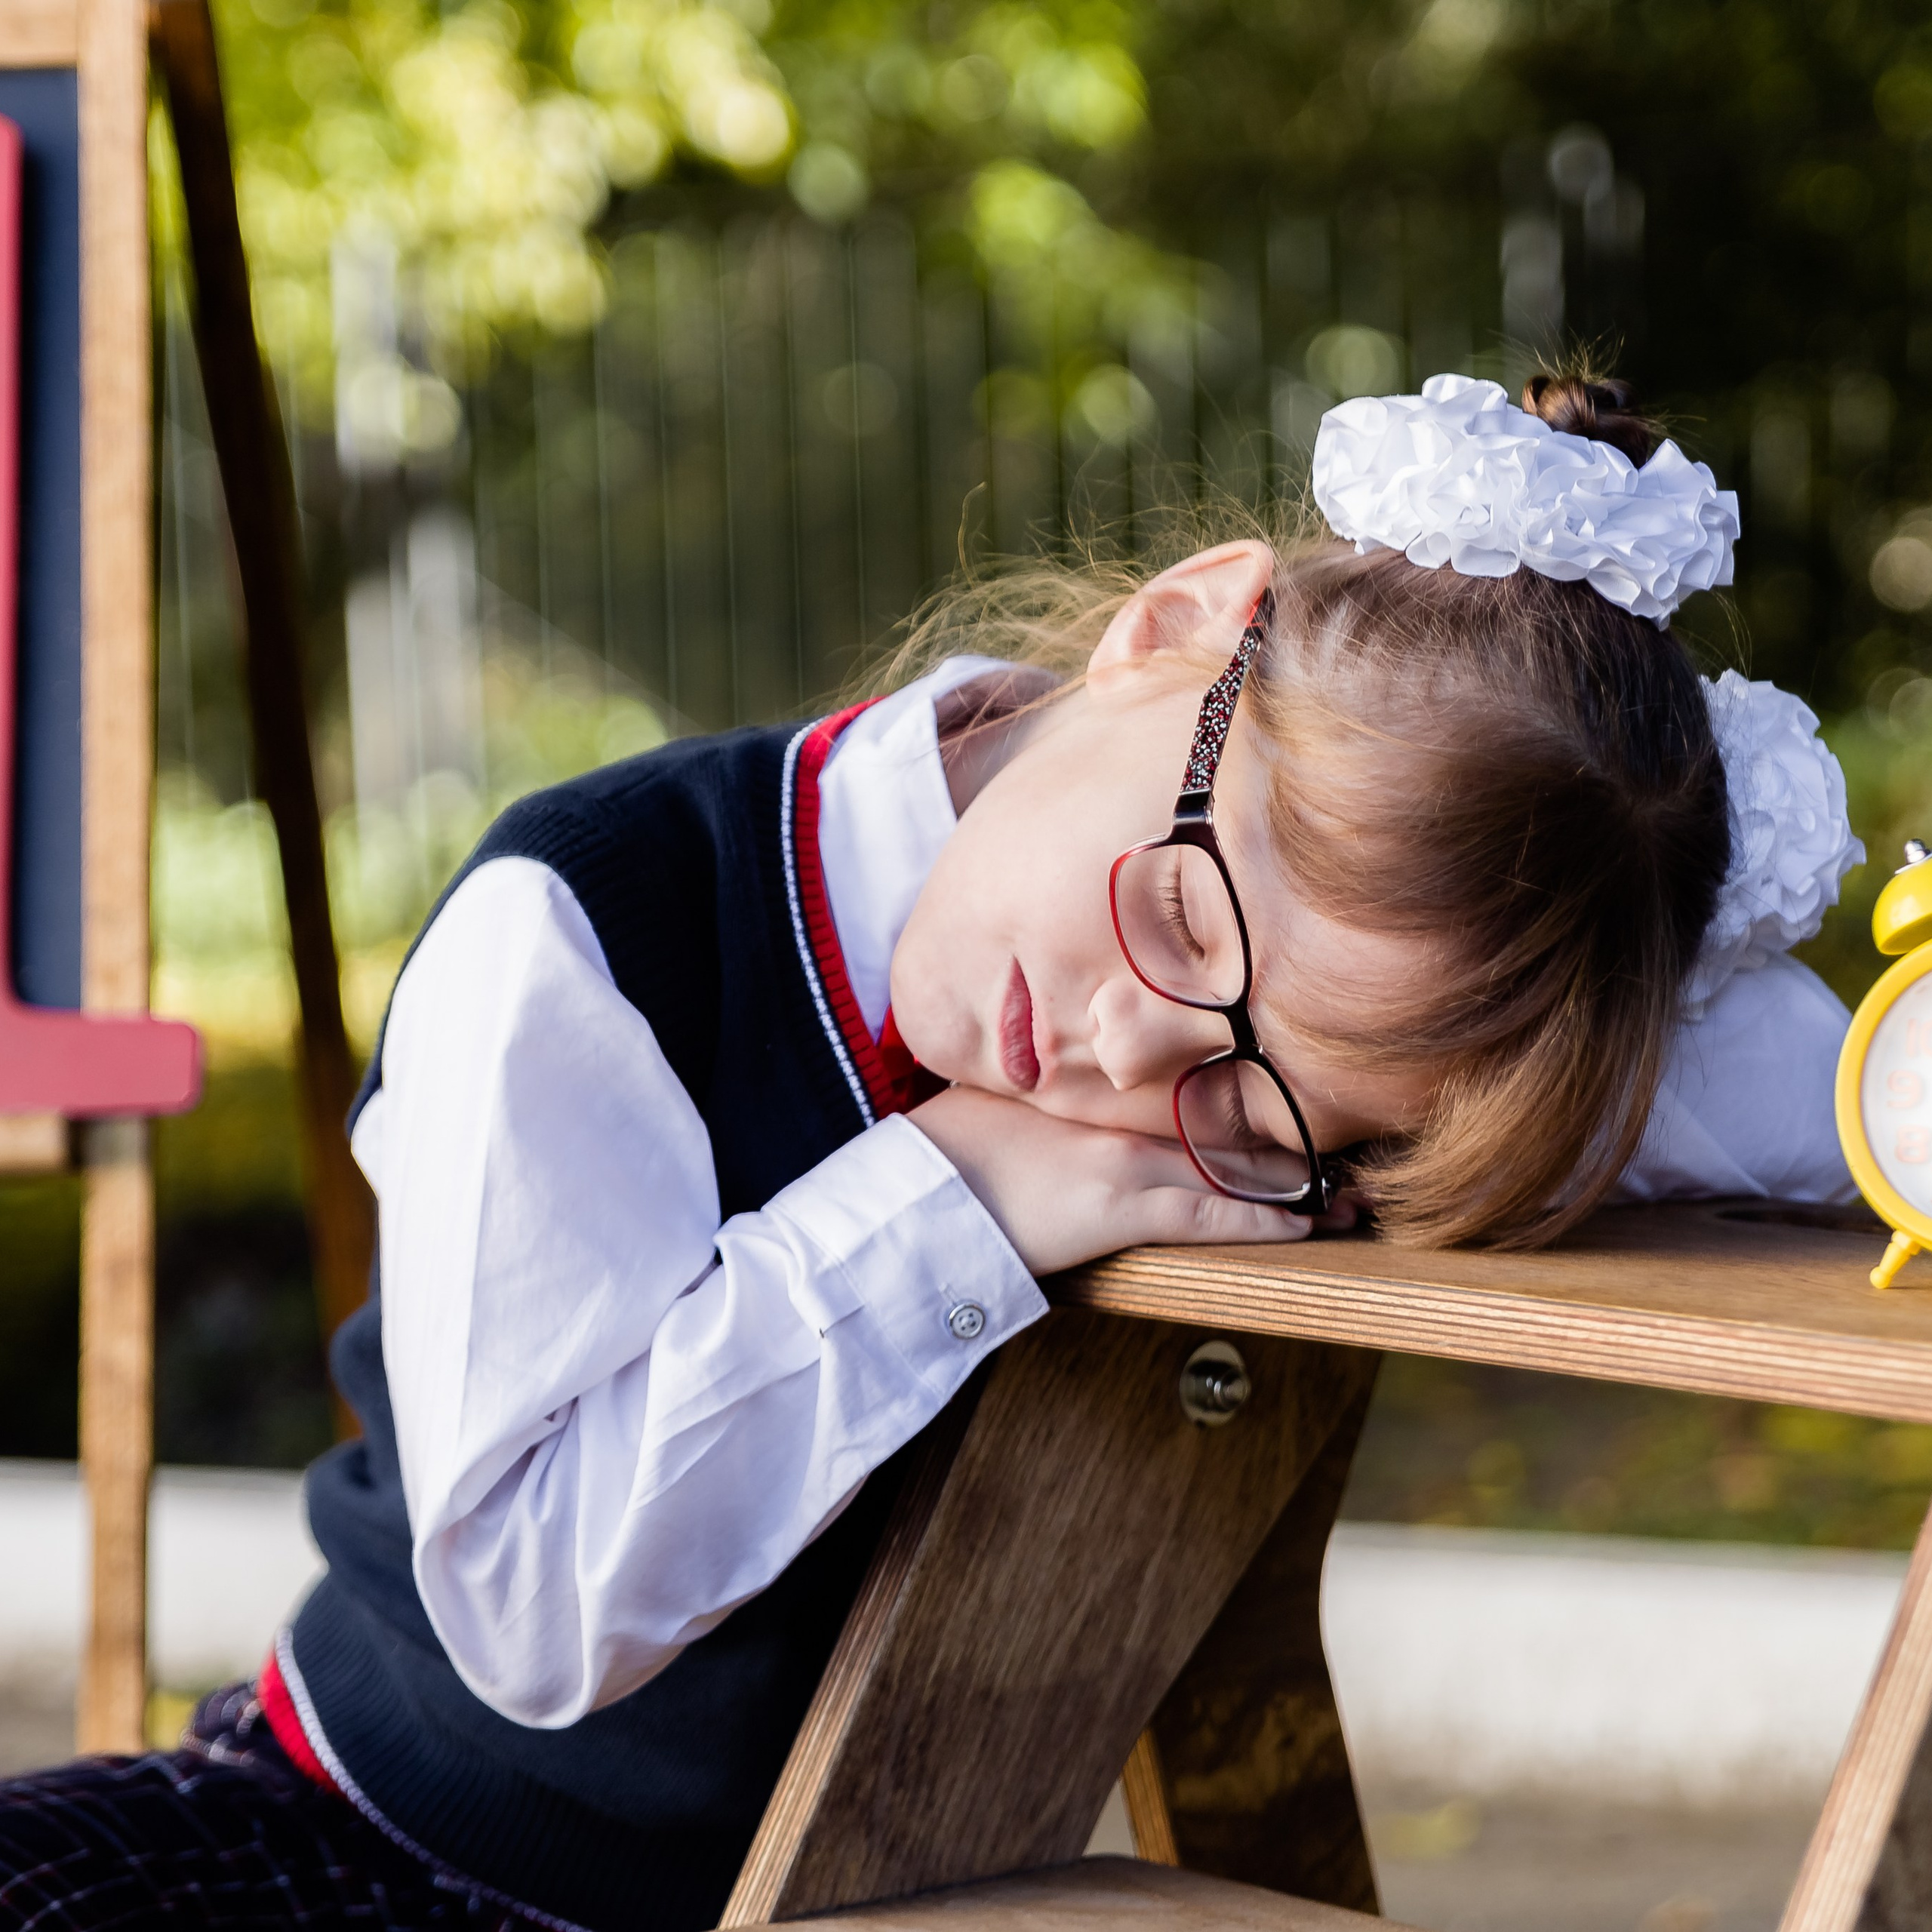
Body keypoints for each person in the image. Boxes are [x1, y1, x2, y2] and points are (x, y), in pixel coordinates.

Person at [0, 372, 1860, 1928]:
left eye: (1261, 1089)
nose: (1134, 1059)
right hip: (375, 1841)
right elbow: (530, 1609)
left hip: (893, 1891)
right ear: (1168, 628)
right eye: (1193, 919)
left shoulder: (1352, 1049)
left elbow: (1821, 1089)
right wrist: (952, 1203)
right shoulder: (594, 933)